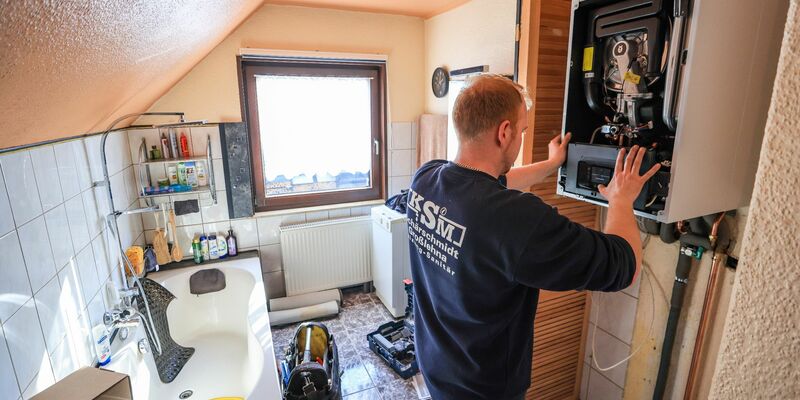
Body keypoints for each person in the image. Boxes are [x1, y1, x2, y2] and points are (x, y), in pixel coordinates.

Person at [405, 74, 660, 399]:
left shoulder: (426, 178)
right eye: (522, 131)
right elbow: (624, 265)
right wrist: (621, 200)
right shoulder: (516, 219)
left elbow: (490, 184)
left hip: (436, 365)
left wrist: (552, 164)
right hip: (484, 389)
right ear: (504, 132)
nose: (521, 137)